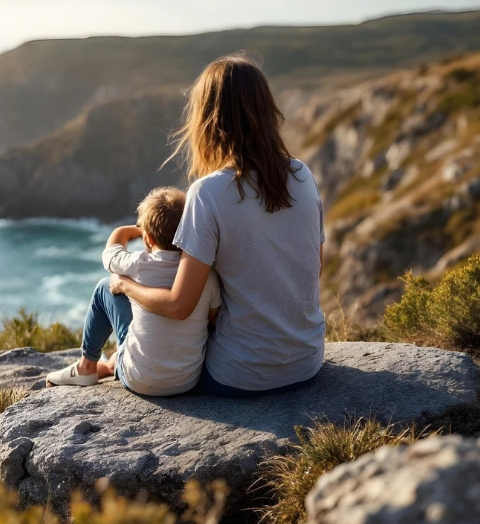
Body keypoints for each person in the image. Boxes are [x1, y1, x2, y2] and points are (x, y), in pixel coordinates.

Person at [110, 53, 326, 398]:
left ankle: (111, 364)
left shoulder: (207, 193)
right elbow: (312, 270)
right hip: (306, 362)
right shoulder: (302, 175)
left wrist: (125, 284)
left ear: (209, 120)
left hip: (239, 375)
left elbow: (179, 306)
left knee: (115, 295)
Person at [46, 187, 221, 396]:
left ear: (148, 238)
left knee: (105, 287)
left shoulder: (137, 264)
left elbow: (109, 254)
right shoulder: (205, 276)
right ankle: (109, 364)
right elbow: (214, 320)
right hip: (187, 380)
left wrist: (137, 229)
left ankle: (87, 366)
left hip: (139, 380)